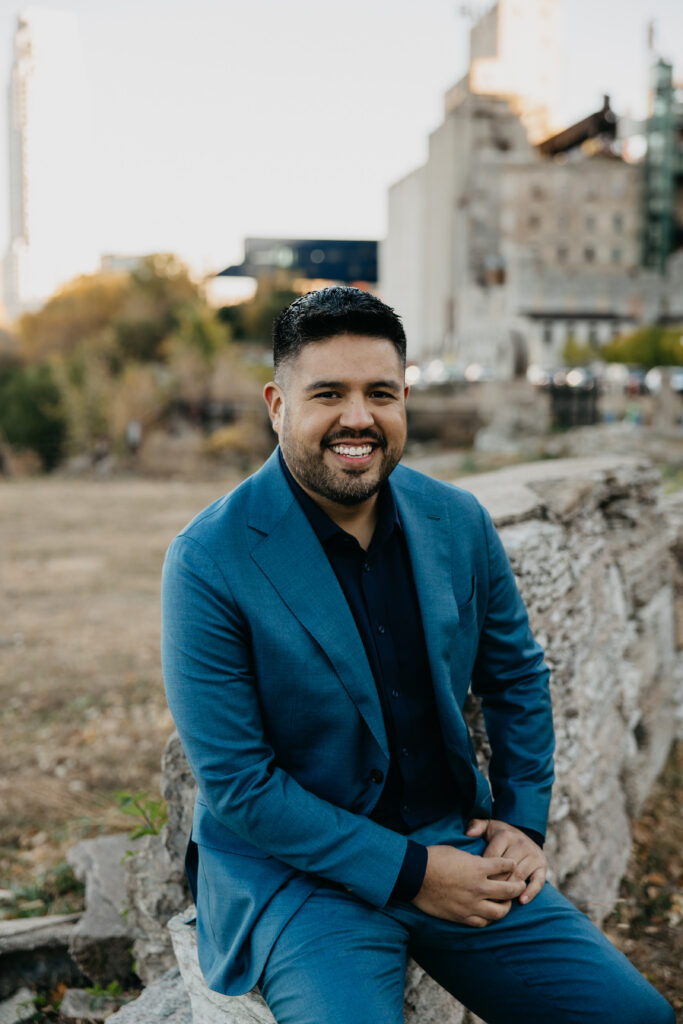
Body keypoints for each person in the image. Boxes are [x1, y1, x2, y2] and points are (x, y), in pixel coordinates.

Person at [161, 287, 673, 1024]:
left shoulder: (457, 521)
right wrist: (412, 874)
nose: (358, 418)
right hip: (299, 879)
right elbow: (240, 786)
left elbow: (517, 676)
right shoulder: (207, 560)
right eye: (327, 394)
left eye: (380, 393)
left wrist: (522, 826)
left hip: (452, 839)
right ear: (277, 404)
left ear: (404, 398)